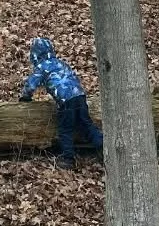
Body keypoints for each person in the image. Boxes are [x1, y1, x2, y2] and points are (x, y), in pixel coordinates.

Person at [18, 37, 103, 170]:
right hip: (80, 96)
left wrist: (25, 97)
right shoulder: (61, 63)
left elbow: (31, 84)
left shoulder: (42, 67)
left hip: (65, 101)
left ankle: (68, 159)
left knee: (65, 129)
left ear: (35, 55)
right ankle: (102, 146)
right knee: (86, 124)